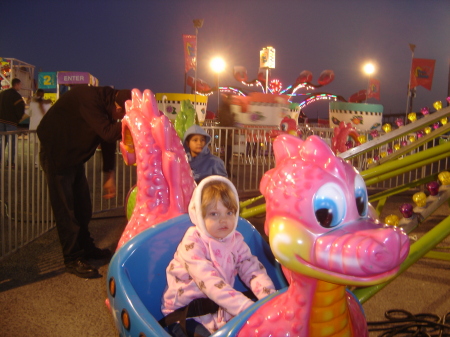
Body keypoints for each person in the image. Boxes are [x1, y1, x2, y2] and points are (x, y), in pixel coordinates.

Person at [161, 176, 276, 336]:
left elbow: (253, 270)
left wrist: (270, 302)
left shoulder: (235, 240)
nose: (223, 220)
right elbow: (209, 282)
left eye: (229, 212)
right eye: (214, 214)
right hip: (186, 314)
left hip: (219, 310)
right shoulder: (192, 241)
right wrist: (247, 308)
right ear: (199, 215)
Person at [37, 85, 131, 279]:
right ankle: (72, 258)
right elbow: (107, 132)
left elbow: (107, 141)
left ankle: (86, 247)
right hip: (57, 154)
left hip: (73, 157)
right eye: (121, 115)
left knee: (83, 207)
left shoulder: (106, 106)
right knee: (66, 211)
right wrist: (131, 124)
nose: (119, 118)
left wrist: (109, 173)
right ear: (119, 107)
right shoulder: (89, 99)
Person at [0, 78, 26, 167]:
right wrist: (17, 120)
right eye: (20, 85)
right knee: (12, 143)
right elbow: (20, 109)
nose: (21, 86)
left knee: (1, 142)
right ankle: (10, 162)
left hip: (0, 121)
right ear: (17, 84)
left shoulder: (2, 94)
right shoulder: (16, 96)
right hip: (11, 122)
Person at [27, 89, 52, 166]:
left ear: (36, 94)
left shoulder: (33, 104)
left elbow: (28, 113)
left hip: (34, 128)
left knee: (35, 146)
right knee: (43, 147)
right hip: (44, 127)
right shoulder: (48, 104)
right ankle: (42, 162)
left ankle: (36, 162)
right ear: (43, 94)